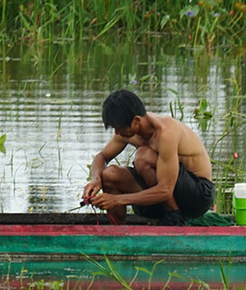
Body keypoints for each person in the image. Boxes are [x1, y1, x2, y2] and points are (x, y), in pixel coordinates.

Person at [82, 90, 214, 225]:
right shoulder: (127, 132)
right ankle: (118, 231)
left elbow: (165, 190)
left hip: (196, 196)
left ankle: (174, 217)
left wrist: (117, 199)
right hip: (160, 198)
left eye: (119, 128)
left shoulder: (166, 133)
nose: (117, 133)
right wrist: (96, 180)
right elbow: (102, 156)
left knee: (143, 156)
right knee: (110, 175)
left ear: (136, 121)